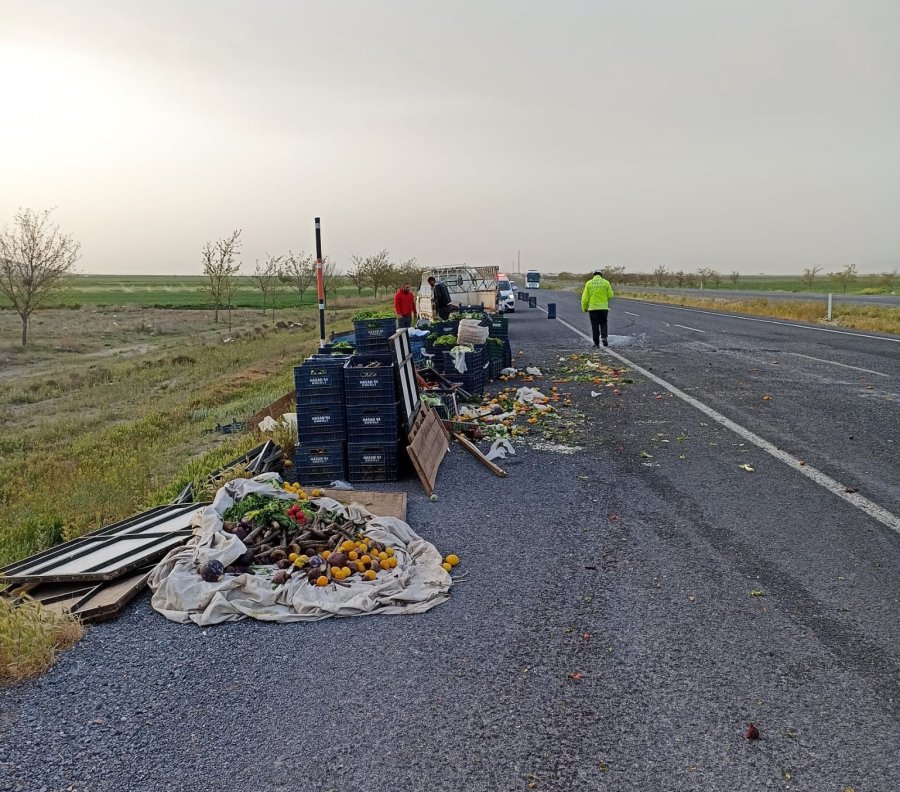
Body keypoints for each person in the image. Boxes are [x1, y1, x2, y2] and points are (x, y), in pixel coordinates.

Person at [581, 269, 614, 347]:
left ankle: (596, 343)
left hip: (592, 308)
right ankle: (604, 337)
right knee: (603, 323)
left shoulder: (588, 283)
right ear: (601, 275)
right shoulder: (606, 282)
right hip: (603, 308)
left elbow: (584, 298)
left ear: (593, 275)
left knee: (594, 326)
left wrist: (584, 307)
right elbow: (611, 295)